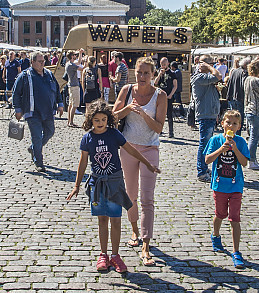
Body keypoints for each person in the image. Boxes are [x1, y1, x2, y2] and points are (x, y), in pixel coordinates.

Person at [67, 100, 160, 274]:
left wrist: (147, 163)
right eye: (96, 120)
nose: (100, 123)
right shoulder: (87, 138)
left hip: (115, 183)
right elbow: (83, 161)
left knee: (116, 220)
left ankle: (115, 255)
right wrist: (77, 185)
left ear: (108, 119)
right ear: (90, 121)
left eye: (103, 119)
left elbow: (130, 149)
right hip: (97, 184)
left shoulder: (114, 134)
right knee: (102, 220)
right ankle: (103, 255)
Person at [112, 56, 167, 266]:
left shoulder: (160, 96)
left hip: (150, 148)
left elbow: (159, 128)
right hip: (127, 147)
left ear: (153, 74)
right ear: (134, 72)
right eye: (139, 72)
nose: (142, 76)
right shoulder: (126, 90)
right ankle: (134, 231)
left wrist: (144, 114)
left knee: (147, 198)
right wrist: (128, 109)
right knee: (130, 194)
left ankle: (146, 244)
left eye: (146, 73)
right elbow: (113, 117)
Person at [204, 109, 250, 269]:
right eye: (228, 122)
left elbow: (244, 163)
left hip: (236, 186)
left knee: (235, 218)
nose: (231, 125)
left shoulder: (241, 142)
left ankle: (236, 252)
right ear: (222, 123)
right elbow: (207, 159)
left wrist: (235, 149)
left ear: (239, 126)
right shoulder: (215, 140)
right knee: (220, 214)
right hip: (219, 185)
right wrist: (221, 150)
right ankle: (215, 236)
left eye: (234, 123)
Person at [12, 52, 64, 173]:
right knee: (36, 137)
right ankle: (39, 162)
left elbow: (56, 90)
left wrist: (60, 104)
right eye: (40, 62)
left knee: (50, 132)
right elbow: (16, 94)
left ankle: (34, 148)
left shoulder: (49, 74)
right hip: (32, 112)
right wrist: (18, 109)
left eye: (43, 61)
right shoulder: (25, 76)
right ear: (33, 62)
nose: (42, 64)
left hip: (48, 111)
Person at [192, 54, 222, 182]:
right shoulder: (200, 77)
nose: (213, 66)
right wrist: (209, 67)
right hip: (205, 114)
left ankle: (204, 167)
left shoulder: (206, 78)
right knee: (204, 144)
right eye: (210, 63)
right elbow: (218, 76)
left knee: (207, 143)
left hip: (210, 114)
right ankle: (202, 172)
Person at [154, 56, 178, 138]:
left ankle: (171, 132)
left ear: (168, 63)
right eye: (161, 64)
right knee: (158, 114)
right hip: (160, 96)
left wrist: (171, 95)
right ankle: (159, 130)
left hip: (168, 96)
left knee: (169, 114)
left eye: (164, 64)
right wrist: (160, 74)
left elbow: (175, 86)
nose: (163, 66)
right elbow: (155, 83)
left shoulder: (172, 73)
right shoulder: (159, 72)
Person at [66, 51, 83, 127]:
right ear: (72, 56)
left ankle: (69, 121)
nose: (75, 56)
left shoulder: (68, 64)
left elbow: (79, 62)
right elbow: (82, 69)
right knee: (75, 104)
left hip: (70, 85)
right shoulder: (71, 65)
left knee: (70, 104)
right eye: (74, 55)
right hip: (74, 86)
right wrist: (87, 63)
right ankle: (71, 122)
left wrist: (80, 53)